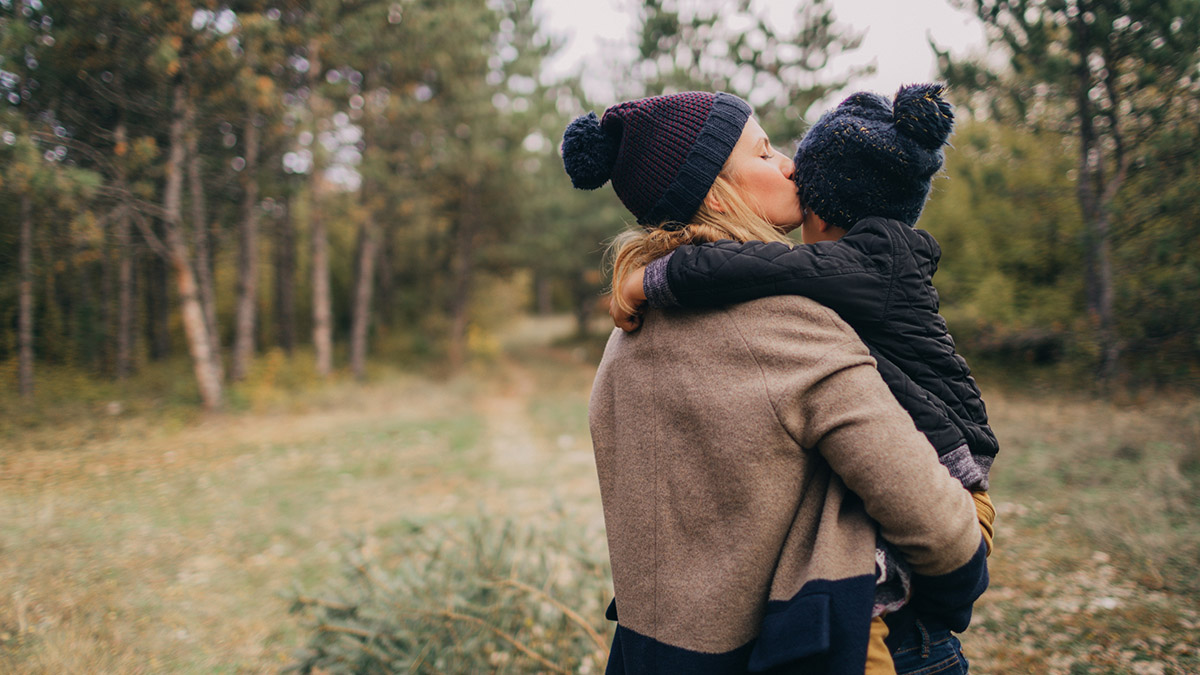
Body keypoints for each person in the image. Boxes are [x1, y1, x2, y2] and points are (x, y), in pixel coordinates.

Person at [562, 90, 988, 675]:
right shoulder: (790, 326)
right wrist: (960, 581)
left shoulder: (626, 336)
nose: (790, 165)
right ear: (716, 191)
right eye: (765, 154)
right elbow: (942, 531)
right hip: (810, 650)